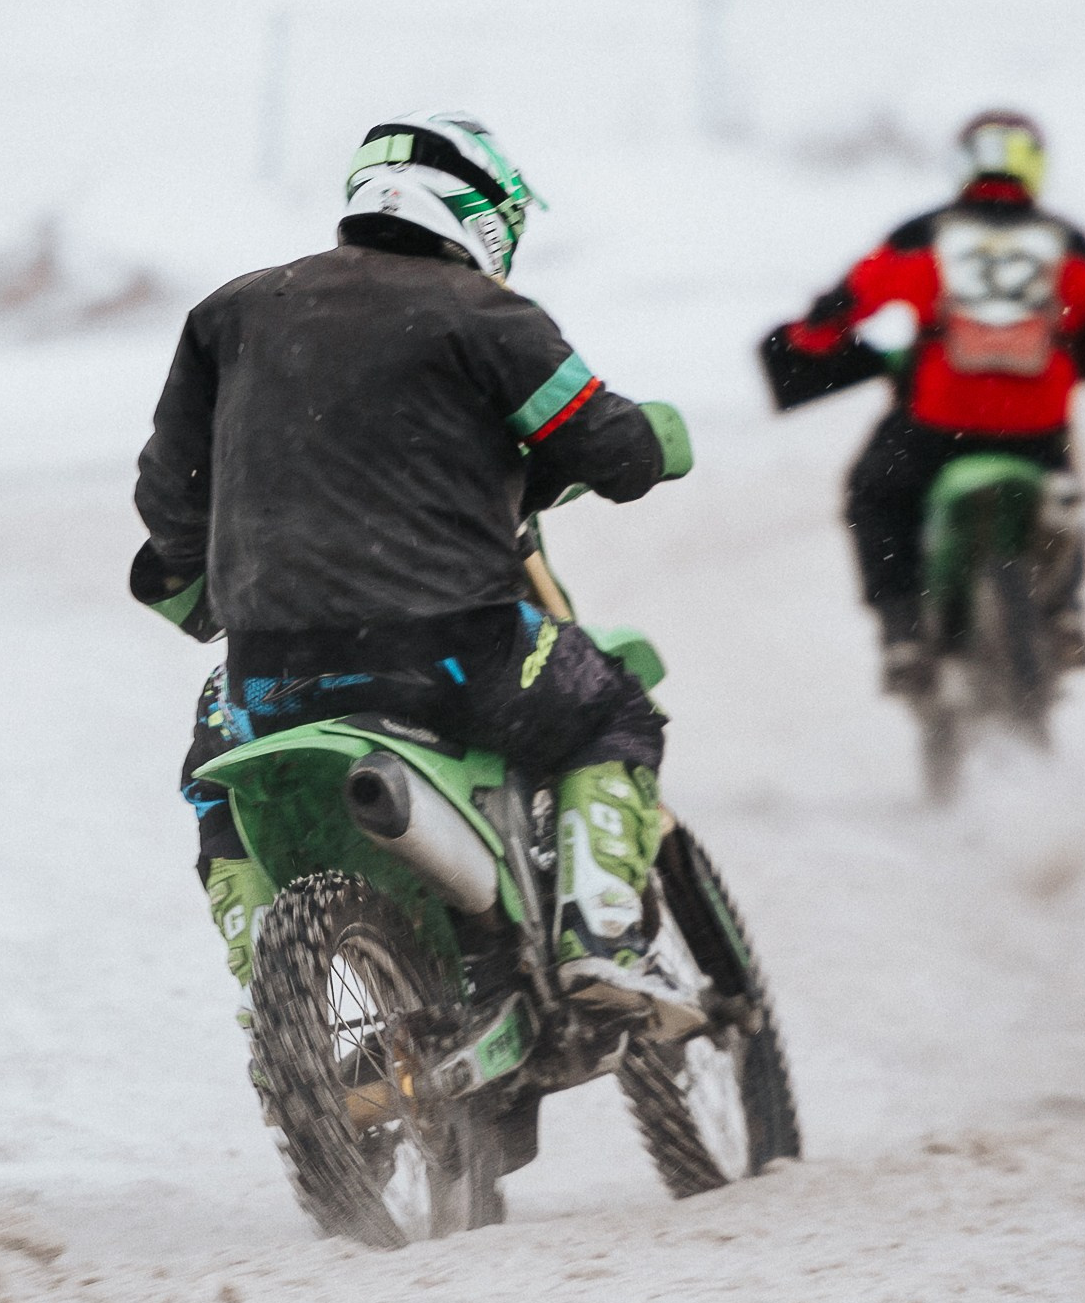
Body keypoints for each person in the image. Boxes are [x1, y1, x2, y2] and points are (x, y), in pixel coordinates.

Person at [131, 109, 698, 1023]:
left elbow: (170, 491)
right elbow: (603, 441)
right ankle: (599, 940)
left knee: (214, 767)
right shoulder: (487, 314)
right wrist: (656, 439)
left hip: (272, 672)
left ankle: (271, 979)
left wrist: (196, 578)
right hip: (451, 650)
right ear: (482, 210)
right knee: (610, 710)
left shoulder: (231, 312)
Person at [760, 109, 1085, 689]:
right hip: (1036, 434)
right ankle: (1065, 612)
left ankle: (903, 634)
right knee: (1065, 500)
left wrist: (809, 341)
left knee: (874, 494)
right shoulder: (1073, 245)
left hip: (939, 427)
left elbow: (844, 305)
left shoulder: (925, 235)